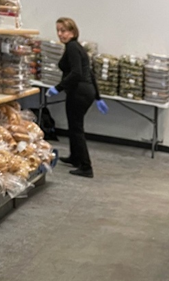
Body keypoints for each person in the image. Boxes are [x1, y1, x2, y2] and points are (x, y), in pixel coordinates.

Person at [46, 17, 109, 178]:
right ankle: (75, 158)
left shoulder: (73, 47)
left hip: (78, 92)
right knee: (74, 126)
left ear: (73, 32)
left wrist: (58, 88)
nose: (60, 34)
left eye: (64, 31)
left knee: (76, 129)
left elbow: (76, 73)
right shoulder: (77, 47)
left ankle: (86, 167)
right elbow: (90, 73)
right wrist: (97, 97)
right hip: (85, 91)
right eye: (58, 30)